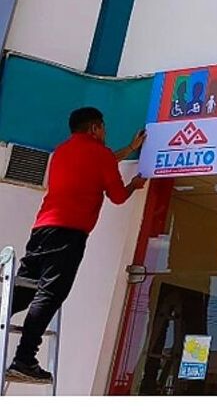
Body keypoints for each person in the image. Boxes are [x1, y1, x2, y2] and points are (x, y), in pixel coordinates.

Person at [7, 107, 148, 383]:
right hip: (69, 233)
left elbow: (101, 163)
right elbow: (117, 196)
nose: (105, 133)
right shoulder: (101, 155)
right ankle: (24, 358)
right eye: (104, 128)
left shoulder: (62, 151)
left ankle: (20, 351)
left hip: (42, 229)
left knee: (23, 291)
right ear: (95, 128)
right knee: (50, 293)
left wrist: (131, 148)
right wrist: (134, 185)